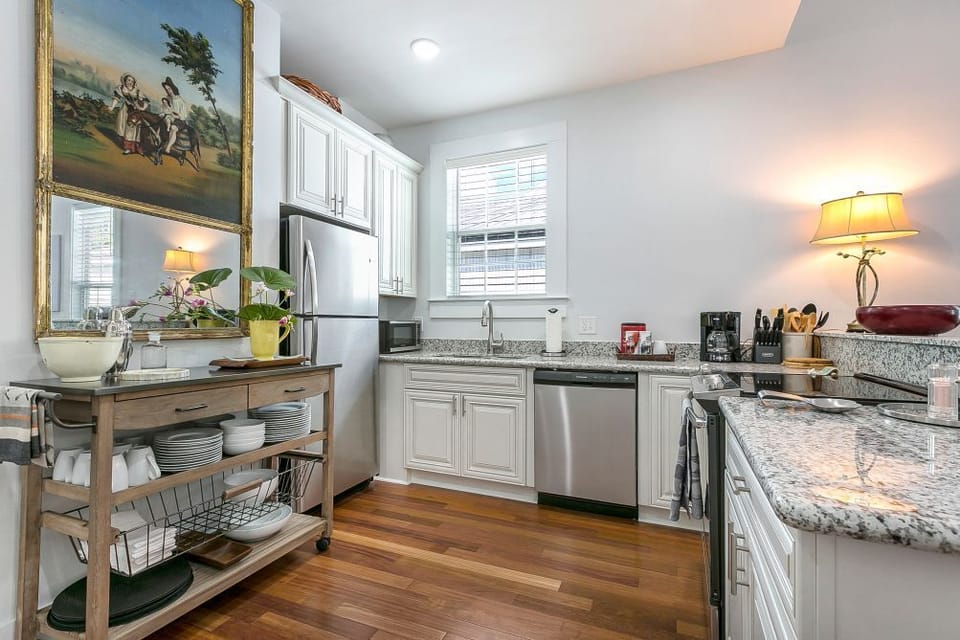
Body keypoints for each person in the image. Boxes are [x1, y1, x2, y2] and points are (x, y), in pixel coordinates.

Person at [110, 73, 149, 155]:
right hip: (125, 111)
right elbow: (116, 98)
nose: (130, 82)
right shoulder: (121, 88)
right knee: (127, 129)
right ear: (125, 80)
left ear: (134, 82)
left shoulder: (137, 91)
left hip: (136, 112)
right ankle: (128, 148)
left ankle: (138, 148)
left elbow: (146, 102)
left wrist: (142, 108)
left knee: (137, 130)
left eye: (132, 81)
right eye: (128, 80)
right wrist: (112, 107)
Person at [160, 76, 189, 155]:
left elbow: (183, 116)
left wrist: (174, 115)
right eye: (166, 89)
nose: (168, 91)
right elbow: (164, 108)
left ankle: (168, 147)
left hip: (180, 120)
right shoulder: (168, 98)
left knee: (173, 128)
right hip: (170, 118)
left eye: (169, 89)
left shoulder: (180, 100)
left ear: (173, 88)